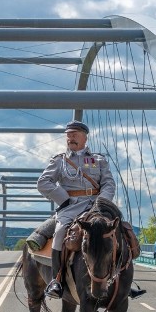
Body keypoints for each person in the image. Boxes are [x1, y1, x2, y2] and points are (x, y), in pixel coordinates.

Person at [37, 120, 116, 299]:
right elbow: (43, 182)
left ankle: (121, 276)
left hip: (96, 205)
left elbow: (108, 183)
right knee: (59, 233)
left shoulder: (98, 160)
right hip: (71, 207)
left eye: (75, 134)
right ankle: (56, 280)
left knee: (120, 230)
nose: (70, 137)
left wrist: (102, 203)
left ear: (85, 137)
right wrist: (63, 199)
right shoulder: (60, 161)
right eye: (68, 135)